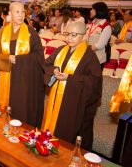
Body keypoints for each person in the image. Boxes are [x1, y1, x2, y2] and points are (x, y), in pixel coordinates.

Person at [42, 21, 102, 151]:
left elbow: (94, 82)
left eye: (74, 35)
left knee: (67, 140)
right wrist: (53, 71)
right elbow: (46, 65)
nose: (69, 38)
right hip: (56, 101)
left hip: (74, 105)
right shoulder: (60, 50)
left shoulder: (90, 56)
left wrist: (70, 79)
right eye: (67, 34)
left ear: (84, 36)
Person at [0, 2, 45, 128]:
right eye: (17, 12)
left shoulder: (31, 33)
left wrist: (20, 60)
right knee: (7, 103)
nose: (21, 15)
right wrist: (7, 57)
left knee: (20, 106)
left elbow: (38, 56)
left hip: (24, 78)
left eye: (23, 12)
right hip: (8, 74)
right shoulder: (2, 32)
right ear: (9, 14)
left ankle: (21, 131)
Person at [86, 2, 111, 67]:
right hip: (86, 56)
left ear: (99, 11)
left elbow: (100, 45)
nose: (90, 11)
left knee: (94, 77)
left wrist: (84, 49)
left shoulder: (106, 26)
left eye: (92, 9)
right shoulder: (90, 24)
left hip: (97, 58)